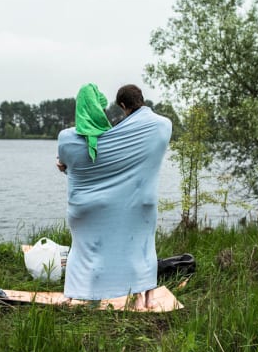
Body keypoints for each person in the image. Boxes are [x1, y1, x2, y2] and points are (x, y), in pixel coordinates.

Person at [57, 84, 172, 309]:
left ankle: (75, 296)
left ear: (122, 105)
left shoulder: (67, 138)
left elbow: (77, 164)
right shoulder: (162, 125)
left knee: (84, 252)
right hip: (142, 202)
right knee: (141, 249)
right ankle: (142, 300)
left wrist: (65, 168)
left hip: (83, 208)